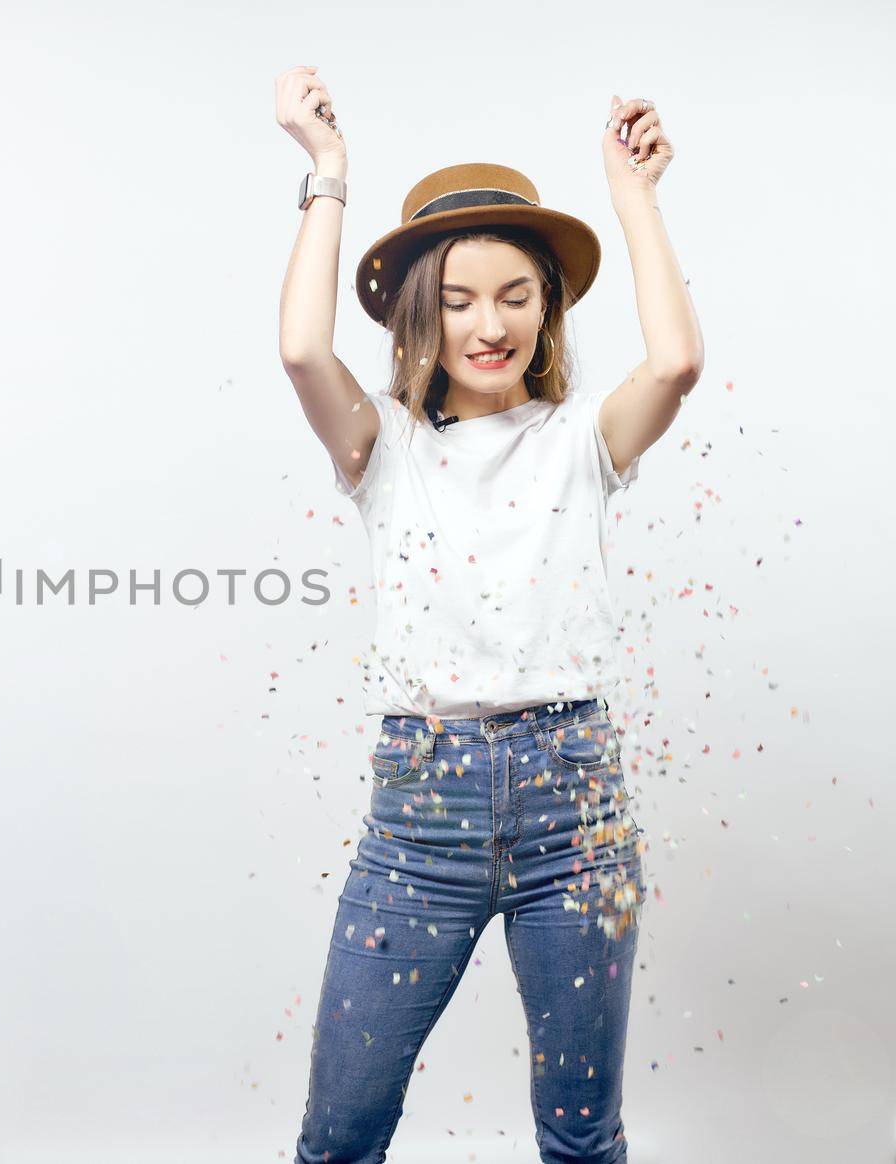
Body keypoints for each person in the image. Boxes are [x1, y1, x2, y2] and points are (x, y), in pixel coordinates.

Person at [274, 66, 704, 1164]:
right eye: (458, 298)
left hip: (578, 817)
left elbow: (679, 361)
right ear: (421, 312)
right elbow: (298, 352)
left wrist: (635, 196)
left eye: (516, 294)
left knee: (580, 1136)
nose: (488, 322)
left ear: (546, 307)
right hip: (421, 818)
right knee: (339, 1136)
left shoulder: (581, 441)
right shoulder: (384, 450)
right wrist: (326, 176)